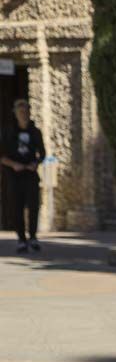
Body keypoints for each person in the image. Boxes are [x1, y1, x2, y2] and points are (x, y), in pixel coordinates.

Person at [1, 100, 46, 252]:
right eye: (20, 112)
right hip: (14, 176)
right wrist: (13, 164)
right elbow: (2, 155)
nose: (23, 114)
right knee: (16, 207)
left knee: (34, 206)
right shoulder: (8, 132)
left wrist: (36, 163)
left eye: (25, 111)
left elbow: (43, 153)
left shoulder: (35, 132)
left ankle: (33, 237)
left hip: (31, 175)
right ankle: (21, 239)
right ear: (15, 113)